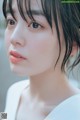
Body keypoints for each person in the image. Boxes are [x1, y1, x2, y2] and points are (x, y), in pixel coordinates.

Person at [2, 0, 80, 120]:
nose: (14, 38)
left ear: (73, 44)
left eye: (35, 25)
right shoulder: (15, 92)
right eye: (11, 21)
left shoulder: (74, 113)